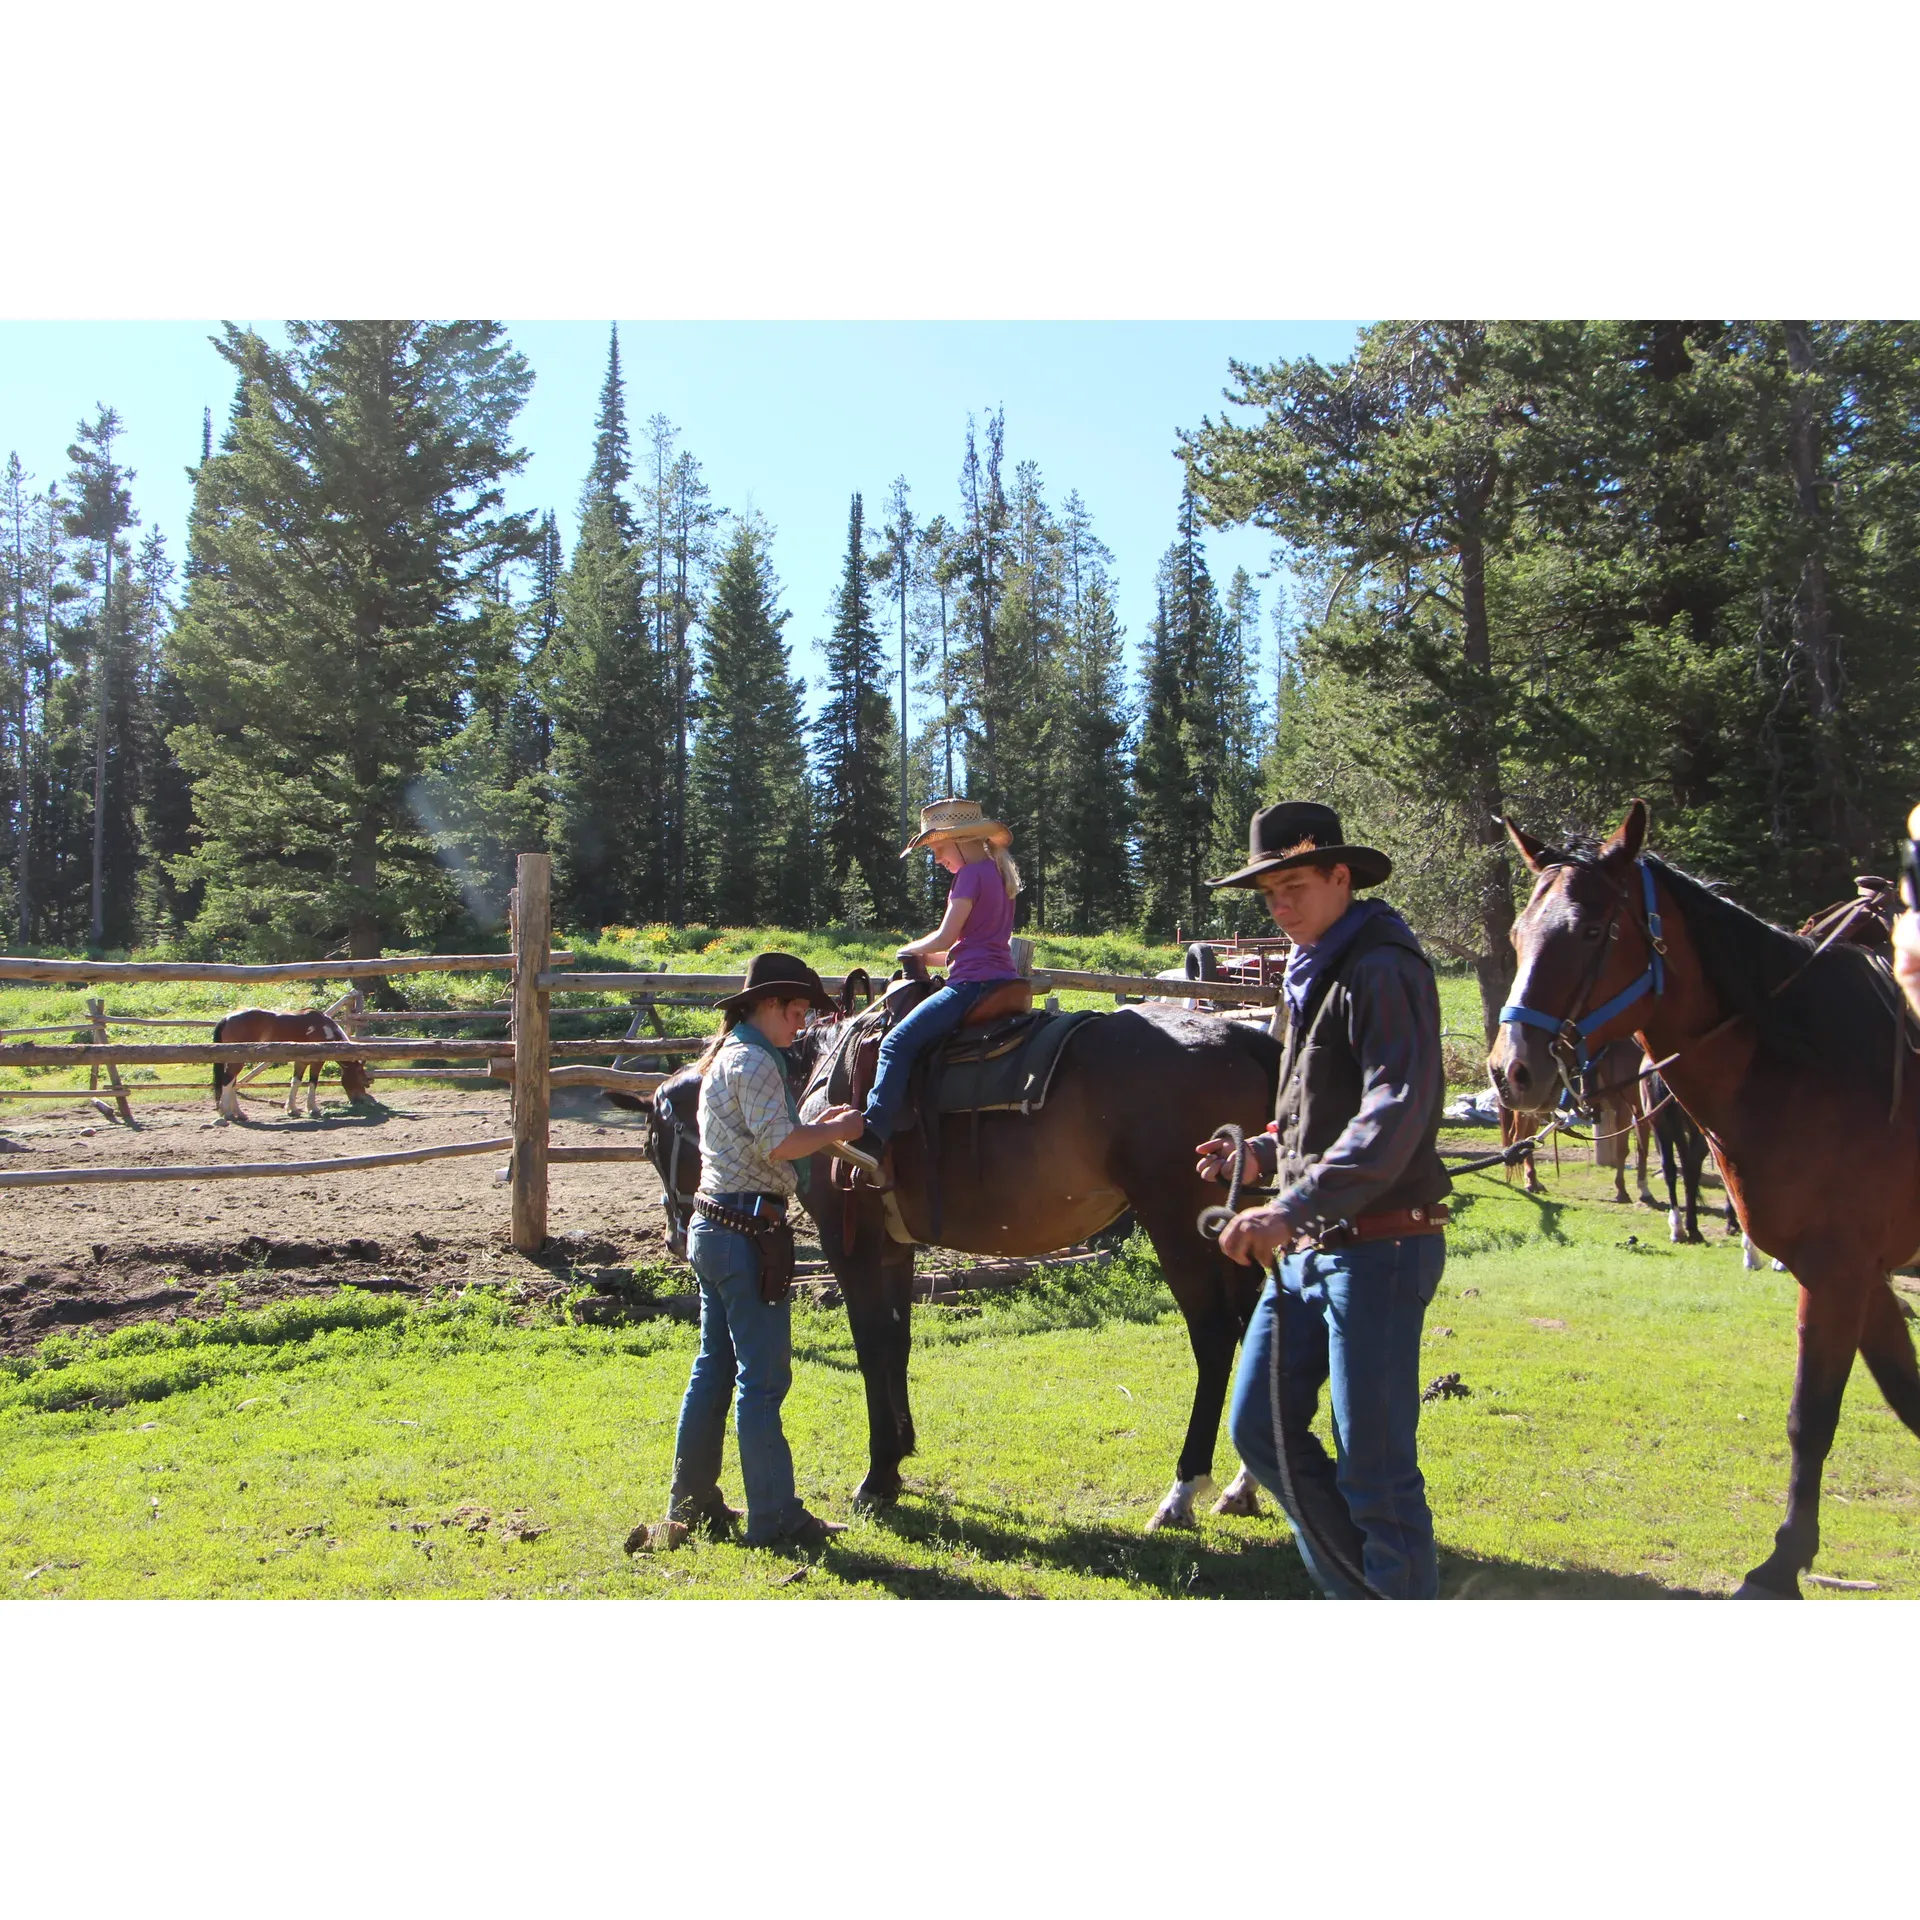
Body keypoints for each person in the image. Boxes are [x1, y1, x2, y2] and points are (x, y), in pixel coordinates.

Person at [1193, 801, 1451, 1600]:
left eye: (1295, 886)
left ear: (1343, 878)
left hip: (1377, 1246)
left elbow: (1396, 1108)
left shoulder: (1380, 968)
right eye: (1268, 893)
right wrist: (1265, 1152)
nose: (1280, 906)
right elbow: (1321, 1114)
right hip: (1316, 1247)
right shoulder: (1321, 969)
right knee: (1259, 1430)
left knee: (1374, 1469)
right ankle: (1365, 1596)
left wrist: (1289, 1207)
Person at [640, 952, 865, 1554]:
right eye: (795, 1011)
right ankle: (777, 1519)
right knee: (763, 1381)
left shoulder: (724, 1057)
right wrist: (838, 1131)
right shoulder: (758, 1062)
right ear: (767, 1005)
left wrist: (823, 1129)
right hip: (748, 1233)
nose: (800, 1024)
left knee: (713, 1368)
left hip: (713, 1230)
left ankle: (693, 1503)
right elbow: (784, 1144)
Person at [844, 798, 1025, 1169]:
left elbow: (945, 938)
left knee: (894, 1044)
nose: (938, 859)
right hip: (1001, 979)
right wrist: (924, 957)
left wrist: (907, 948)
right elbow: (969, 946)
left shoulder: (970, 875)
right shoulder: (996, 874)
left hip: (972, 985)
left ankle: (873, 1135)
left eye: (939, 849)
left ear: (961, 841)